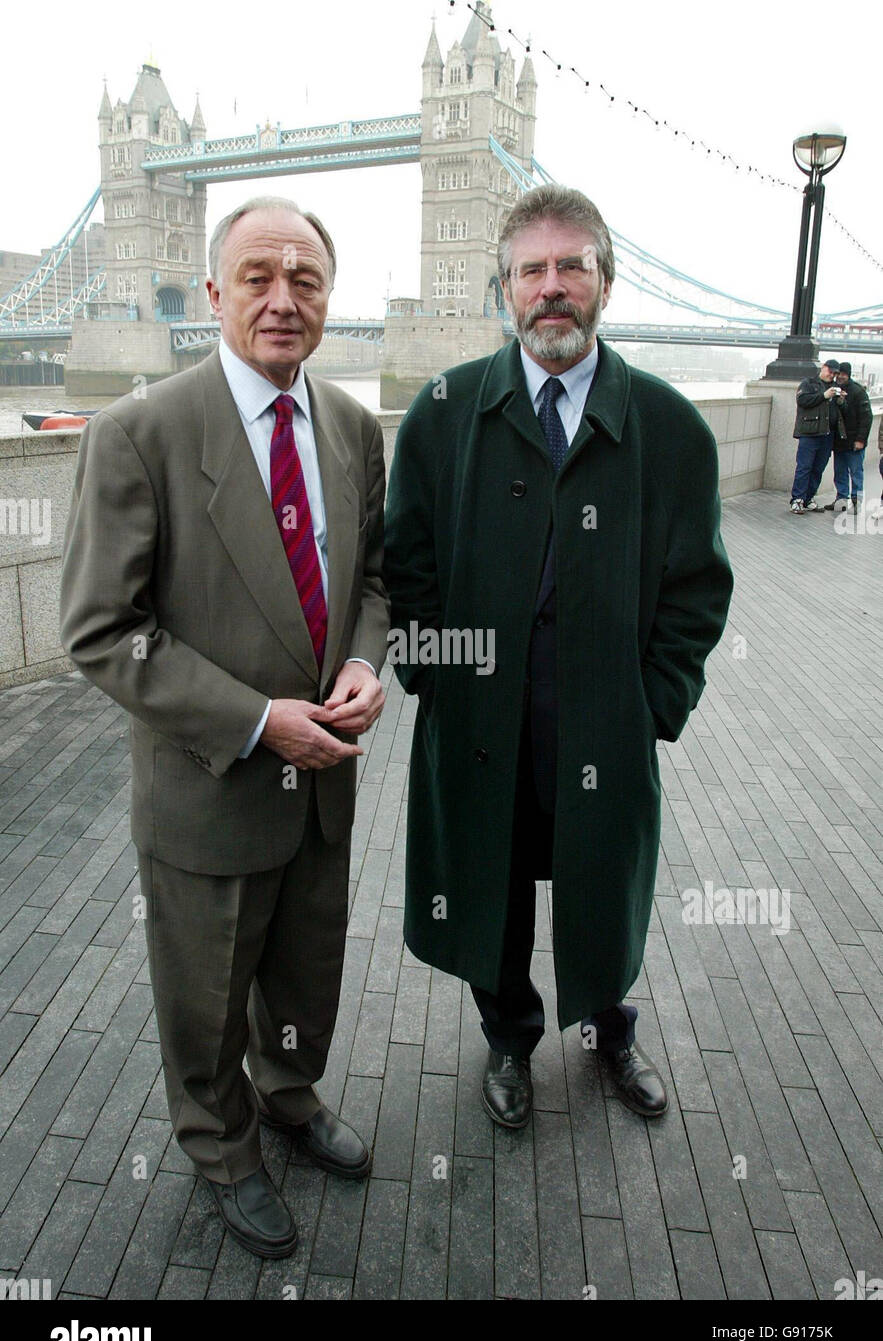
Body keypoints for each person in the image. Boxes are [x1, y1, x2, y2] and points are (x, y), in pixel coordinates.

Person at [59, 196, 389, 1258]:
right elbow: (104, 631)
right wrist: (256, 721)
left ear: (330, 299)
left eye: (306, 279)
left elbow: (373, 579)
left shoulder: (348, 425)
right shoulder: (137, 435)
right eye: (257, 277)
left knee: (303, 970)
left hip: (323, 783)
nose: (282, 299)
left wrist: (363, 661)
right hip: (210, 789)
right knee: (205, 999)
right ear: (213, 295)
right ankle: (222, 1147)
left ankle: (287, 1095)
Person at [384, 184, 733, 1129]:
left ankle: (609, 1035)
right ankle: (507, 1043)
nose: (551, 288)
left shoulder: (667, 427)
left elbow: (698, 588)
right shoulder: (444, 412)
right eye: (530, 270)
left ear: (605, 285)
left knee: (598, 891)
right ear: (503, 290)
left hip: (600, 723)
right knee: (488, 891)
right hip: (482, 723)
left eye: (570, 266)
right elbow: (402, 565)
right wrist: (435, 677)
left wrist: (653, 701)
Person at [789, 358, 846, 514]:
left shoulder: (835, 387)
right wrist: (824, 395)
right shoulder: (808, 383)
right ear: (823, 368)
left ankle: (808, 498)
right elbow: (802, 400)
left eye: (835, 373)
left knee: (818, 469)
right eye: (830, 371)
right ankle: (797, 500)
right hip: (809, 433)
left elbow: (839, 411)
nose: (832, 375)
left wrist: (841, 401)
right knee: (804, 467)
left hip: (827, 435)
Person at [825, 362, 872, 511]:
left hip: (854, 441)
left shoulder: (858, 392)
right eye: (838, 374)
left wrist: (860, 440)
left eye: (843, 374)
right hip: (839, 441)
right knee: (840, 473)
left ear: (848, 374)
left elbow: (866, 418)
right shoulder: (833, 390)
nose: (840, 377)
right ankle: (841, 500)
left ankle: (856, 503)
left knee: (856, 473)